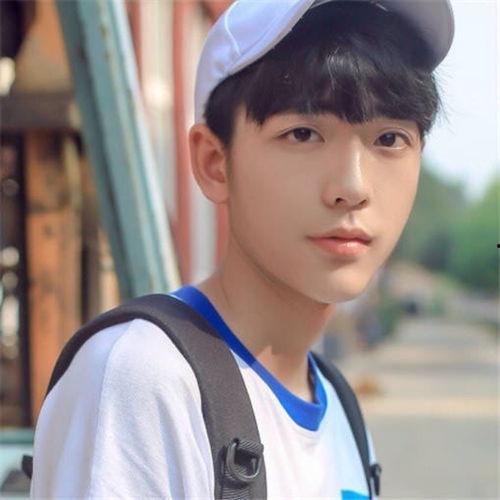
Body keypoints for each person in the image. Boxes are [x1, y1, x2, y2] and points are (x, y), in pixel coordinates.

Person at [30, 0, 454, 497]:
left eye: (389, 138)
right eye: (303, 133)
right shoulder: (143, 380)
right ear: (214, 162)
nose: (352, 187)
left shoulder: (338, 406)